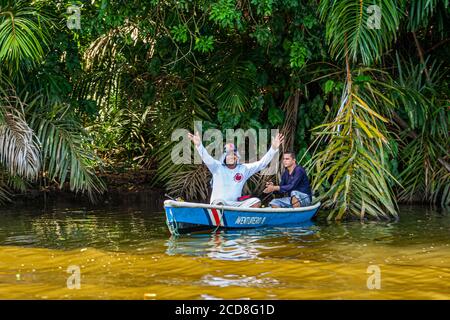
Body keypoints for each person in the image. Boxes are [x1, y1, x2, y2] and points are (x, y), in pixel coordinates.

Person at [188, 132, 284, 207]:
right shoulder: (217, 167)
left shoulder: (244, 169)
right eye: (228, 154)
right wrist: (199, 145)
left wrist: (273, 148)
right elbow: (206, 157)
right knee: (219, 203)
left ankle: (243, 225)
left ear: (237, 157)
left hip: (235, 206)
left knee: (256, 202)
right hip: (218, 204)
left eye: (233, 154)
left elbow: (262, 164)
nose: (231, 156)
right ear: (224, 157)